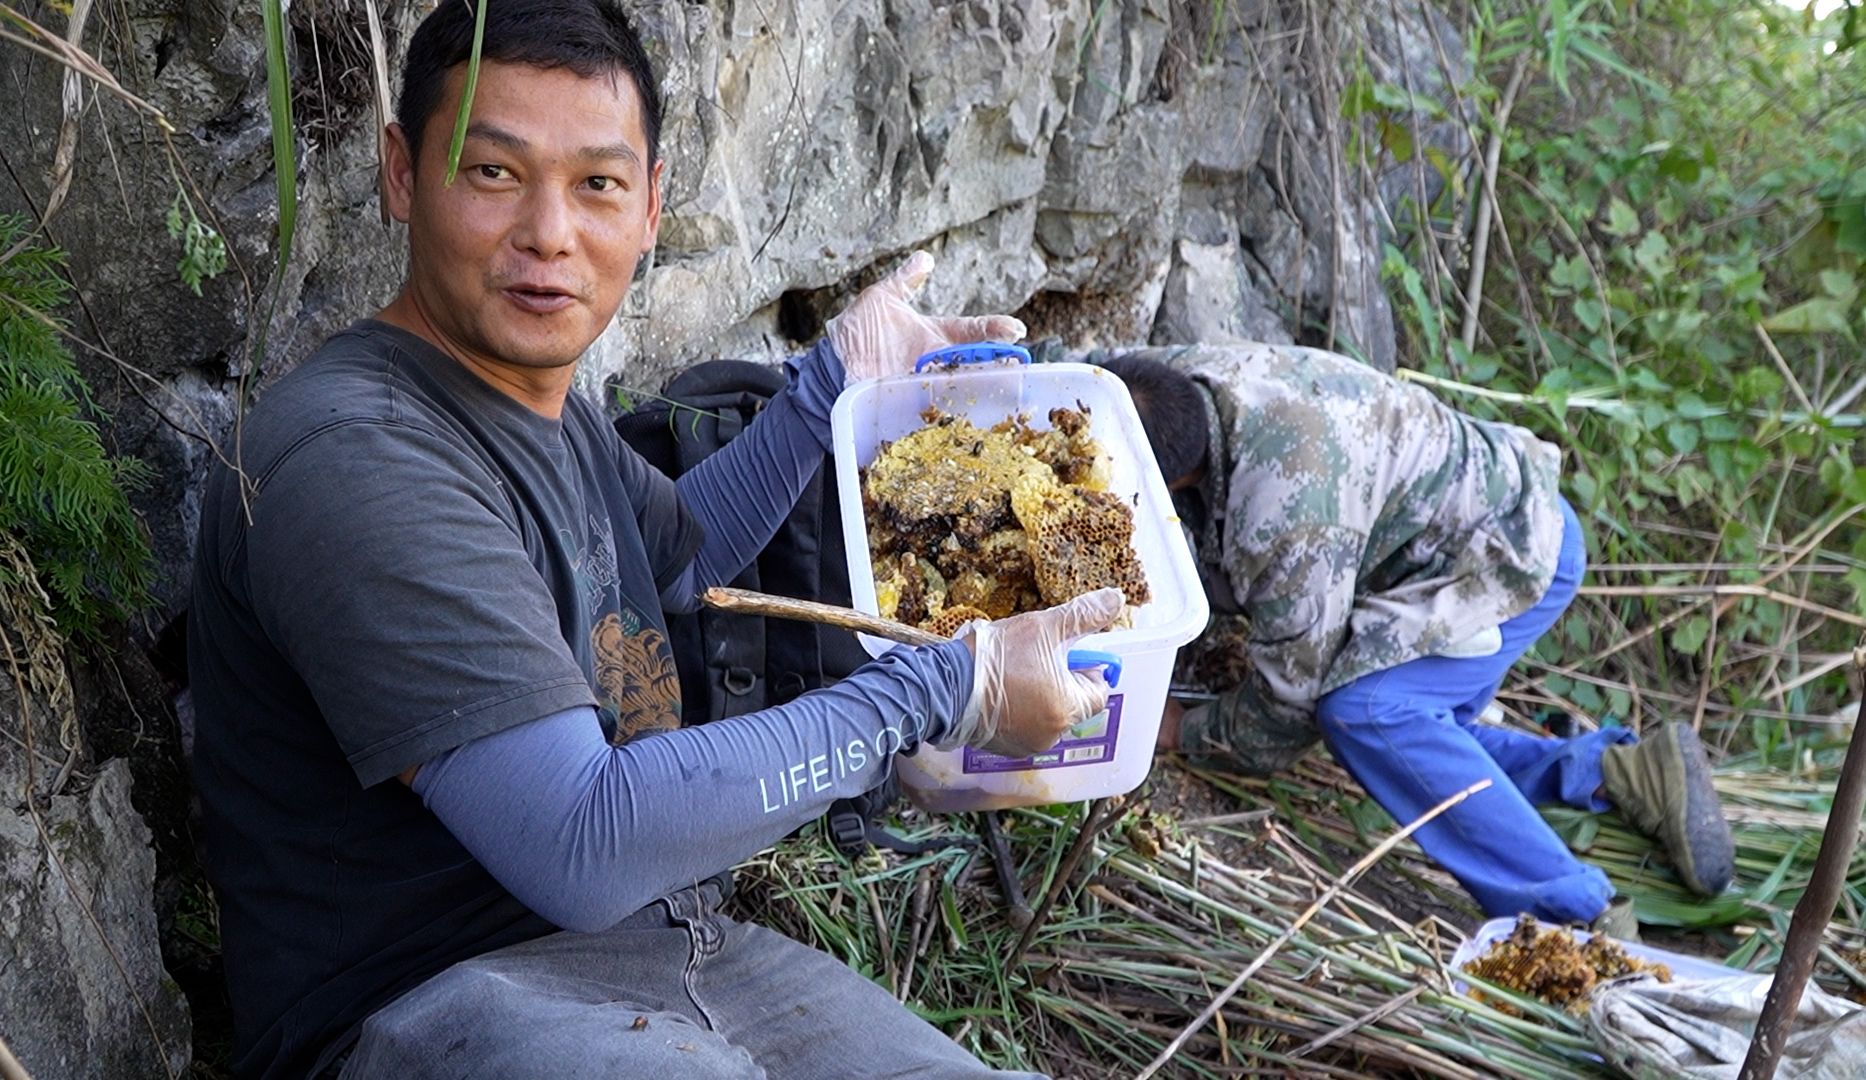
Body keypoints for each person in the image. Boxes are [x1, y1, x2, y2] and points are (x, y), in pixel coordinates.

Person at [186, 3, 1117, 1077]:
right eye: (494, 172)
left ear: (650, 207)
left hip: (676, 954)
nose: (549, 232)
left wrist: (827, 391)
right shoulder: (357, 458)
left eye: (597, 183)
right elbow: (580, 840)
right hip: (434, 1005)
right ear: (403, 173)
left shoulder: (540, 404)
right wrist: (937, 694)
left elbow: (685, 561)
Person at [1097, 344, 1735, 930]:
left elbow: (1288, 704)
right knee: (1423, 731)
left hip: (1508, 551)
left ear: (1169, 481)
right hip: (1480, 514)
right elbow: (1080, 375)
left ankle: (1575, 914)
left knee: (1370, 713)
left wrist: (1182, 729)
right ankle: (1612, 773)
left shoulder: (1286, 520)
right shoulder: (1166, 382)